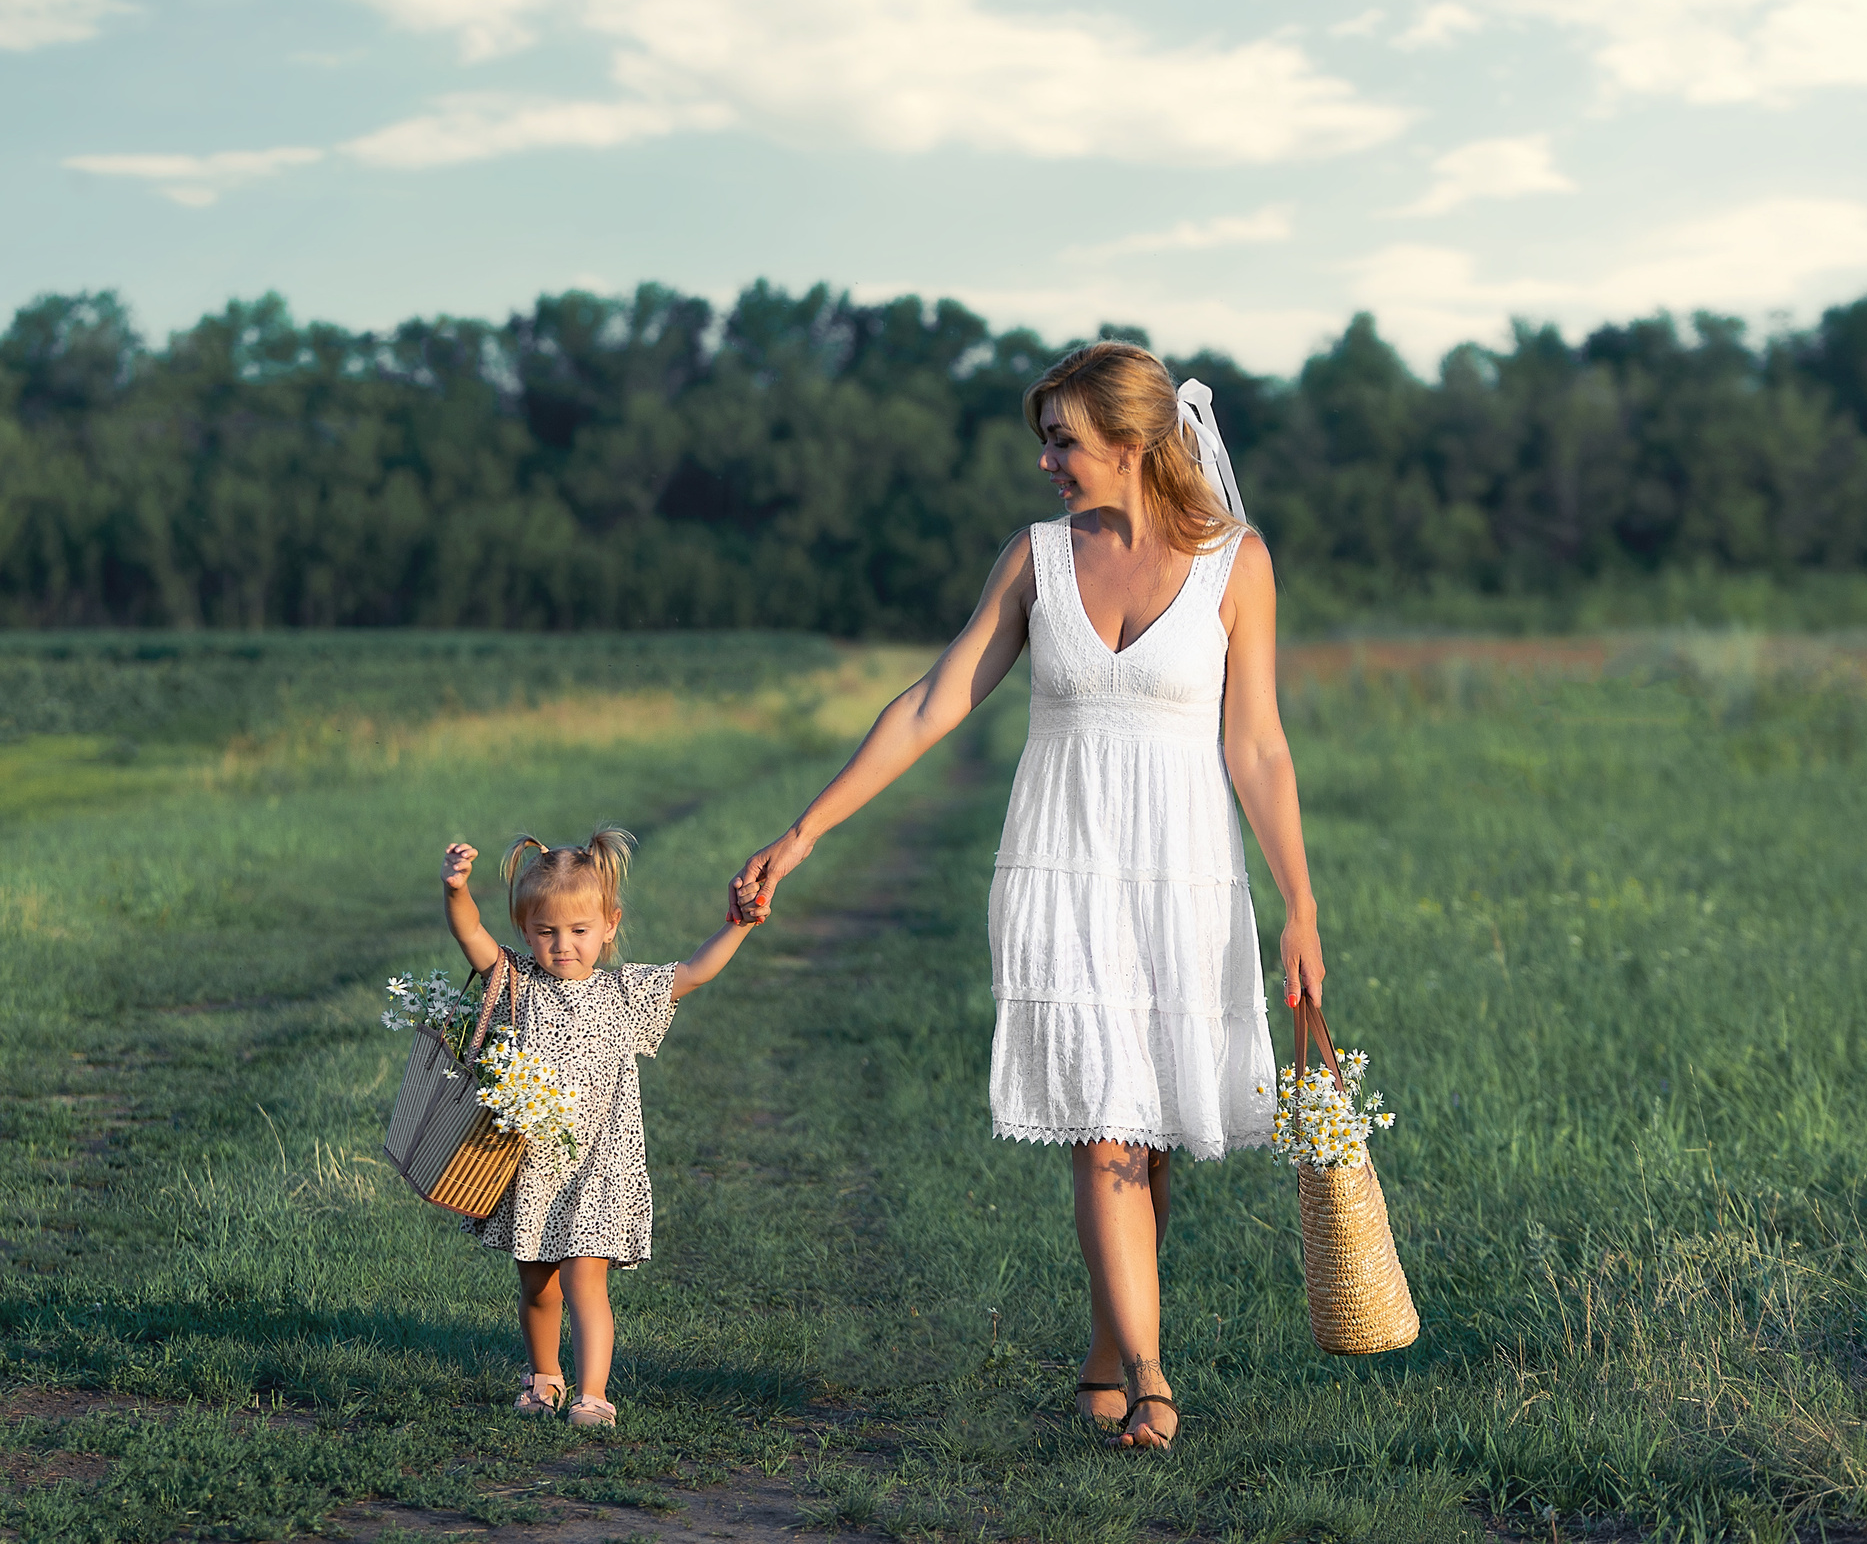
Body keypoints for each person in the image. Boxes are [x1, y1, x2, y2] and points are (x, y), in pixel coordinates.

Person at [730, 341, 1325, 1453]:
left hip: (1185, 870)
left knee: (1146, 1135)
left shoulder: (1237, 564)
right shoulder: (1036, 558)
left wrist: (1298, 901)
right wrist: (805, 830)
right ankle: (1150, 1376)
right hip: (1064, 864)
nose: (1046, 461)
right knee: (1103, 1115)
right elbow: (934, 698)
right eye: (1044, 438)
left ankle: (1106, 1346)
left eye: (1063, 439)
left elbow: (1258, 746)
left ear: (1134, 444)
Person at [439, 826, 764, 1428]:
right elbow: (469, 934)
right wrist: (456, 889)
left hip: (601, 1166)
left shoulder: (623, 992)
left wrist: (738, 924)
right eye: (546, 932)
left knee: (585, 1279)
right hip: (531, 1165)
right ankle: (544, 1381)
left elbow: (695, 972)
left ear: (609, 924)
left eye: (579, 931)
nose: (563, 946)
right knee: (537, 1281)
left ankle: (593, 1394)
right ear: (526, 930)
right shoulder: (516, 984)